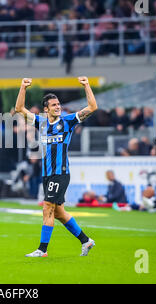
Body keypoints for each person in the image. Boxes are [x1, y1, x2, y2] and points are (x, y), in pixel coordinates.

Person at [15, 77, 97, 258]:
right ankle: (86, 240)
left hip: (60, 173)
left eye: (58, 104)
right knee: (59, 212)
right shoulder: (41, 123)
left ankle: (42, 250)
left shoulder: (68, 121)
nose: (58, 107)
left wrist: (86, 85)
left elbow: (92, 108)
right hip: (47, 174)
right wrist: (23, 87)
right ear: (46, 109)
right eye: (53, 105)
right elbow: (19, 109)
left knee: (47, 208)